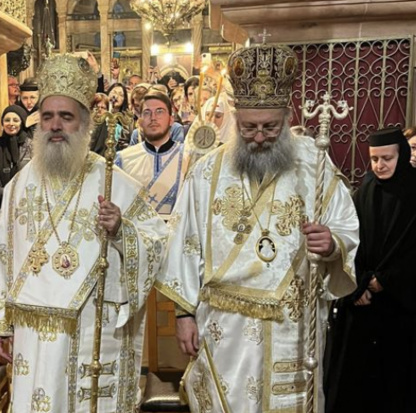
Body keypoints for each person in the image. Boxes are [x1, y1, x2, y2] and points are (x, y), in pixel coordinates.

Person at [156, 41, 359, 412]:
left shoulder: (313, 163)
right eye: (249, 128)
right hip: (224, 326)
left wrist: (331, 244)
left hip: (290, 326)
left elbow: (345, 225)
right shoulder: (207, 171)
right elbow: (185, 243)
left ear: (286, 118)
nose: (260, 137)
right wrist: (184, 314)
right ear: (235, 119)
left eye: (270, 127)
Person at [0, 53, 168, 412]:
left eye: (66, 116)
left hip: (92, 325)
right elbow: (1, 252)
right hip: (33, 336)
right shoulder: (19, 186)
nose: (56, 125)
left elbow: (157, 244)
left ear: (84, 122)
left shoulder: (114, 182)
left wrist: (122, 230)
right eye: (48, 116)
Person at [324, 128, 416, 413]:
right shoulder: (364, 193)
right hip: (362, 305)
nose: (379, 165)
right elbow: (349, 242)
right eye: (374, 159)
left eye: (386, 158)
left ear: (401, 155)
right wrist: (358, 285)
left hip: (401, 308)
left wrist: (386, 281)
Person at [116, 90, 185, 216]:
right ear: (140, 121)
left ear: (171, 119)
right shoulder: (123, 159)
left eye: (160, 111)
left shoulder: (188, 157)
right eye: (147, 113)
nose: (153, 118)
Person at [0, 105, 32, 243]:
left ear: (22, 122)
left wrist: (19, 195)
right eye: (7, 120)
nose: (11, 123)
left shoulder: (34, 149)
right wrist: (7, 194)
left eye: (15, 120)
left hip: (26, 209)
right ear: (2, 123)